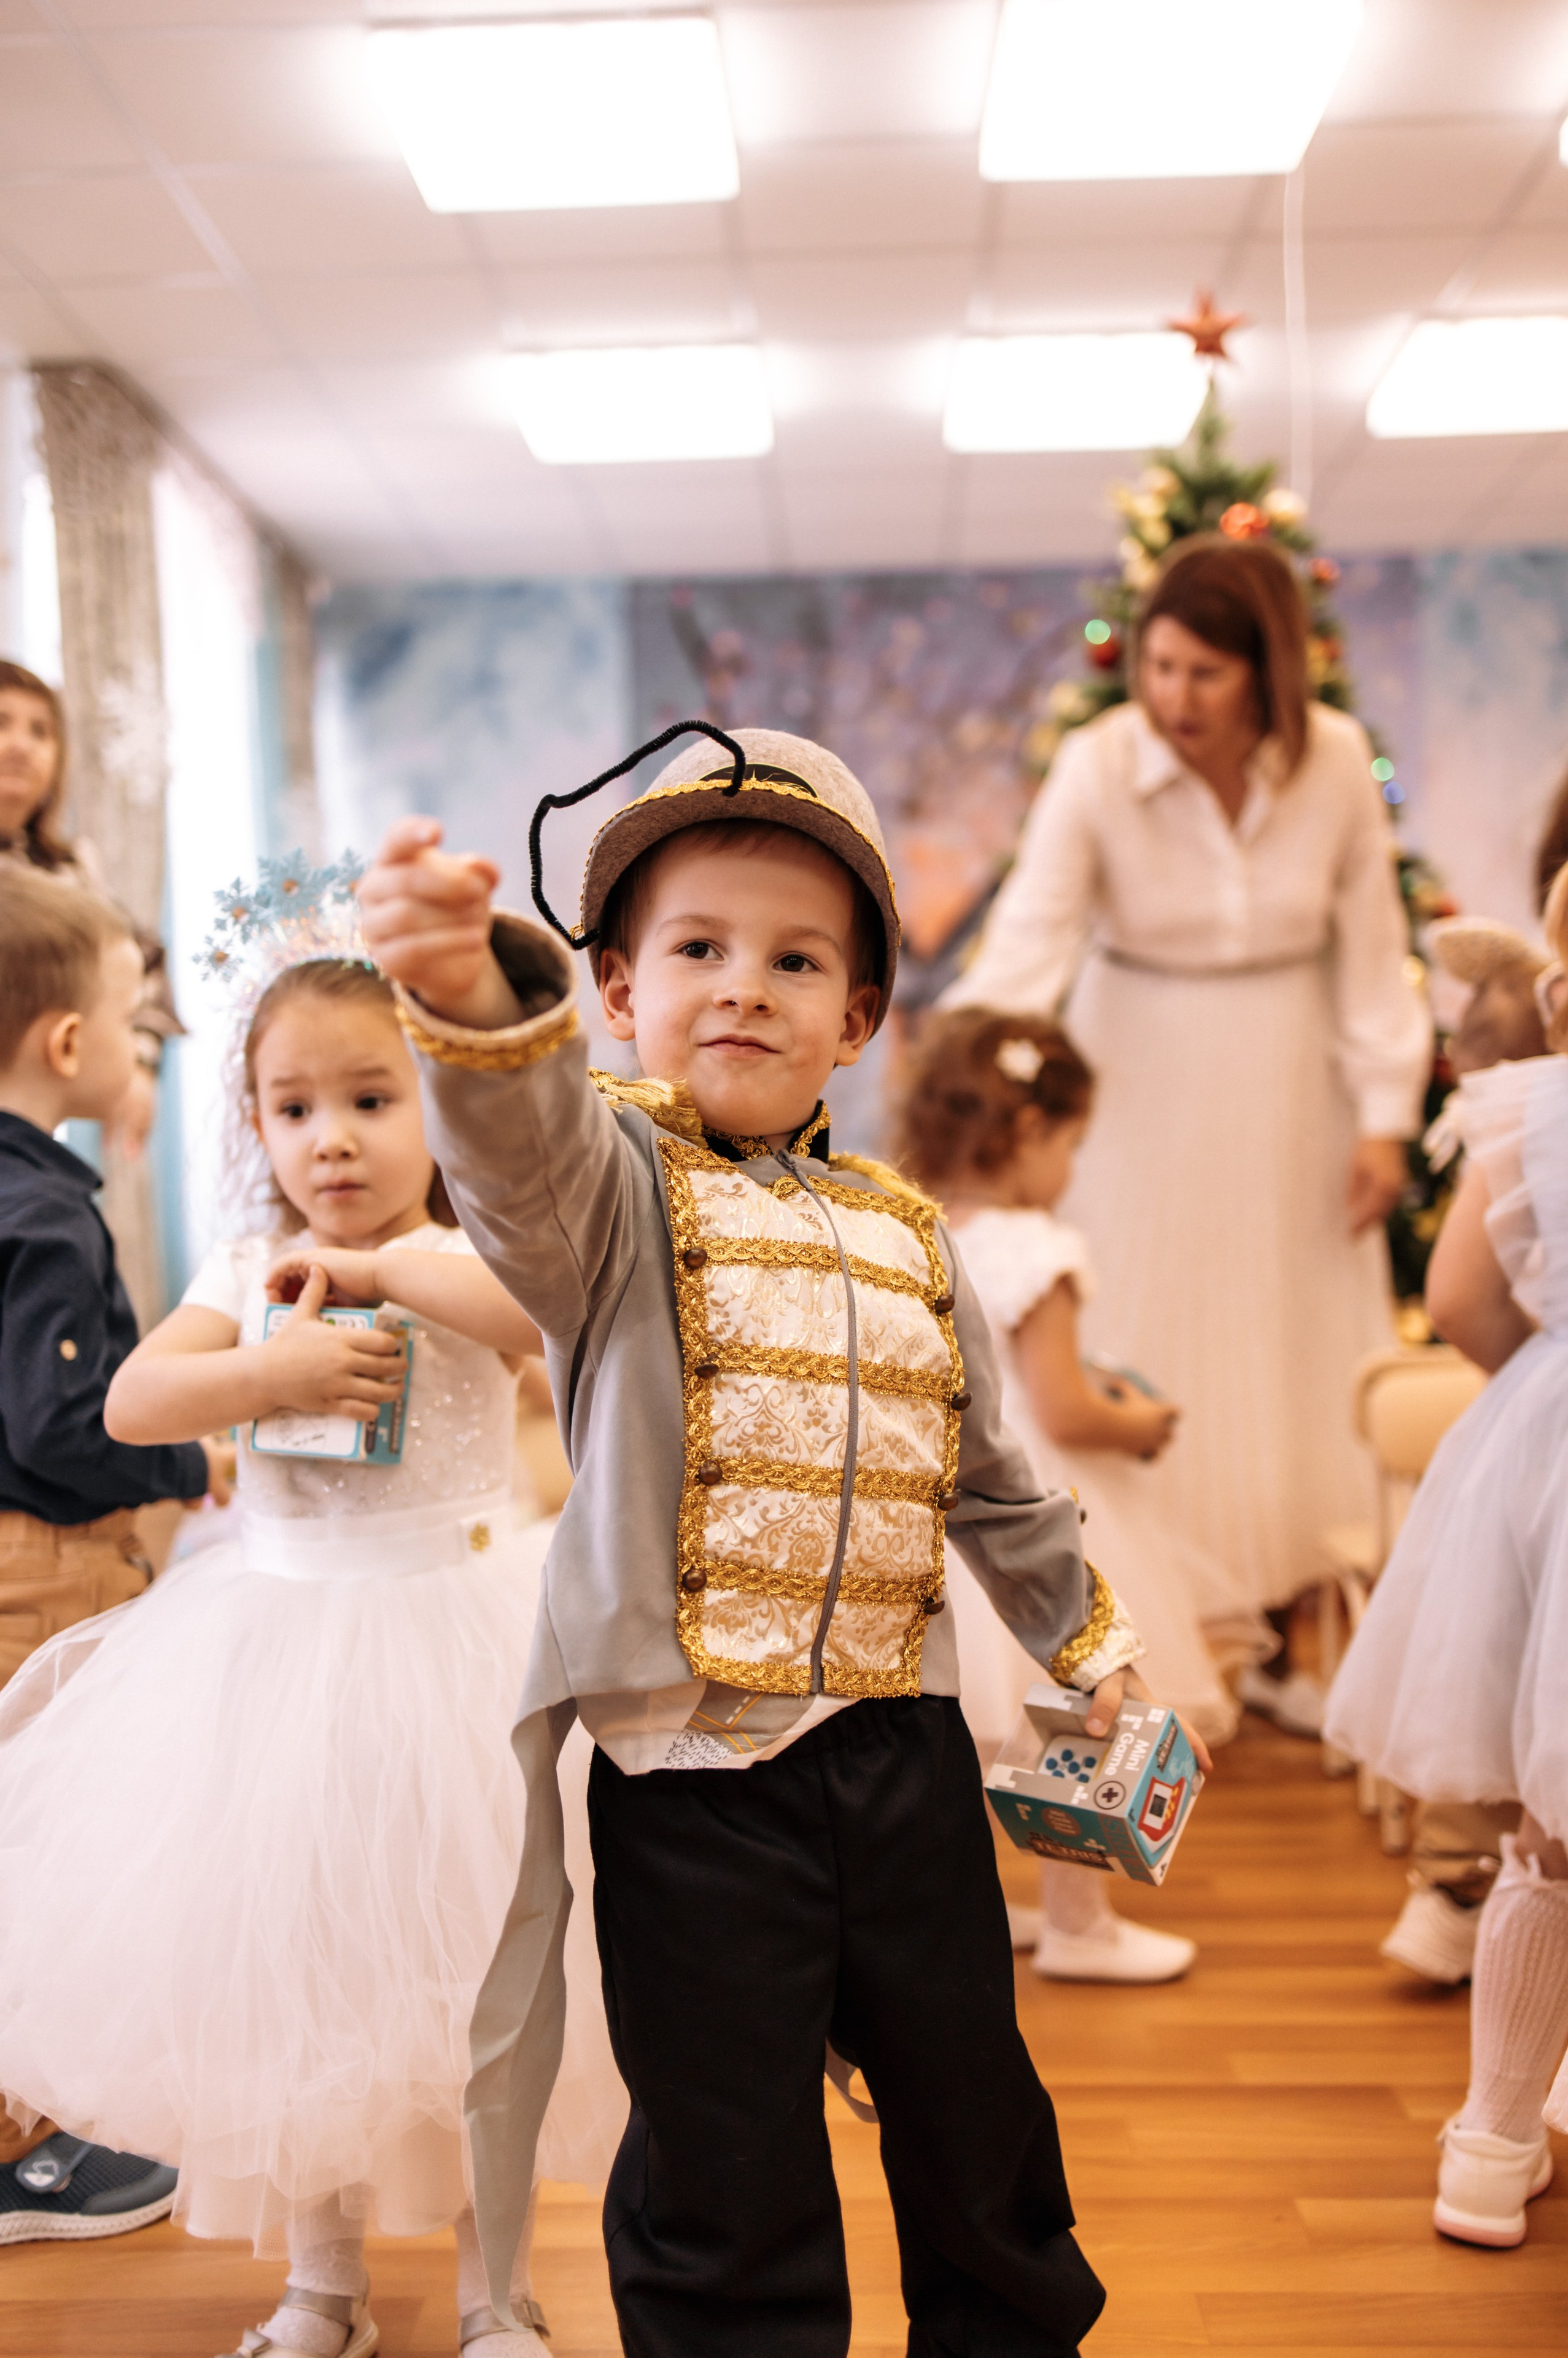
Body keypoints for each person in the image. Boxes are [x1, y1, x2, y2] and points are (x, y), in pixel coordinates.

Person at [359, 722, 1212, 2357]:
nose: (745, 986)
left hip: (904, 1765)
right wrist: (473, 998)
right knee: (726, 2168)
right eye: (697, 948)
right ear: (617, 994)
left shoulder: (911, 1235)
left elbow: (993, 1477)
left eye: (797, 958)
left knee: (979, 2124)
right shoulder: (610, 1198)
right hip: (694, 1787)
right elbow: (518, 1161)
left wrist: (1090, 1647)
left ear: (861, 1016)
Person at [0, 904, 624, 2356]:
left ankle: (497, 2292)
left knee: (483, 1985)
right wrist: (270, 1360)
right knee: (303, 1983)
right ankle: (322, 2286)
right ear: (257, 1124)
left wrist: (389, 1270)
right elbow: (133, 1406)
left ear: (440, 1108)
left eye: (368, 1098)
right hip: (278, 1657)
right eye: (294, 1107)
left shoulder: (470, 1255)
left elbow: (540, 1333)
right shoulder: (243, 1266)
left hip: (462, 1648)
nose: (330, 1139)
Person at [942, 537, 1432, 1732]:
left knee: (1294, 1352)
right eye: (1155, 667)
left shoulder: (1326, 770)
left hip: (1289, 1080)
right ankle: (1147, 1636)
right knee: (1143, 1328)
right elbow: (1029, 942)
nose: (1171, 698)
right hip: (1135, 1078)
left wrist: (1383, 1122)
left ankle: (1279, 1641)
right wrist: (956, 1100)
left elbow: (1374, 957)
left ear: (1265, 673)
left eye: (1202, 674)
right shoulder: (1099, 764)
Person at [1323, 858, 1568, 2251]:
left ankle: (1487, 2140)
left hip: (1554, 1451)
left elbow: (1459, 1297)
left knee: (1551, 1836)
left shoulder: (1532, 1111)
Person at [895, 1005, 1233, 1986]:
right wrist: (1143, 1423)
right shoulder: (1038, 1249)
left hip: (937, 1512)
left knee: (978, 1729)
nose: (1072, 1169)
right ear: (1029, 1133)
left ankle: (991, 1909)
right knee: (1085, 1716)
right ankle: (1081, 1921)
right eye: (1072, 1145)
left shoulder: (912, 1230)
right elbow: (1065, 1409)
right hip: (1032, 1505)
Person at [0, 863, 223, 2244]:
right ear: (70, 1043)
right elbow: (64, 1422)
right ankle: (28, 2152)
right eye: (137, 1027)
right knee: (41, 1848)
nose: (144, 1052)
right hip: (44, 1567)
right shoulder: (44, 1210)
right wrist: (198, 1457)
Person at [1378, 915, 1548, 1990]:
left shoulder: (1519, 1118)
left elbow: (1454, 1298)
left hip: (1531, 1433)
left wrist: (1529, 1380)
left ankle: (1453, 1883)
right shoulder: (1536, 1113)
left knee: (1492, 1646)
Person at [0, 659, 180, 1156]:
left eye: (41, 732)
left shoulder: (73, 870)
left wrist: (137, 1065)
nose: (21, 745)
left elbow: (140, 962)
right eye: (2, 723)